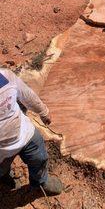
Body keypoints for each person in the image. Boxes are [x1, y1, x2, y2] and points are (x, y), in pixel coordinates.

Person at [0, 67, 63, 195]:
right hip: (1, 149)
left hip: (24, 133)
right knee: (1, 169)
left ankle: (40, 181)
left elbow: (26, 95)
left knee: (39, 158)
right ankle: (3, 176)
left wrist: (43, 112)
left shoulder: (5, 76)